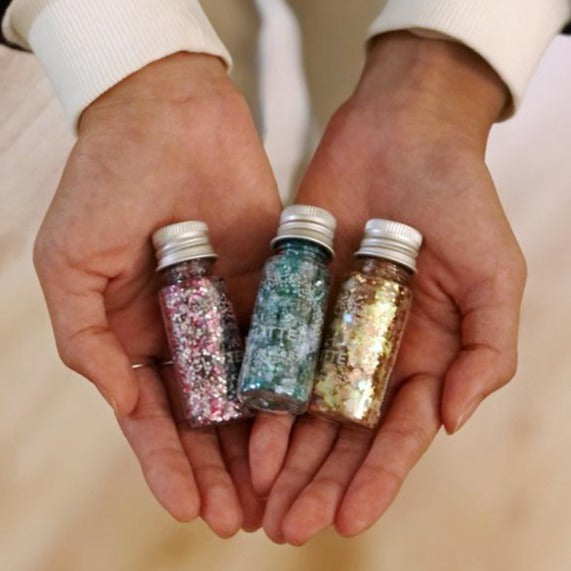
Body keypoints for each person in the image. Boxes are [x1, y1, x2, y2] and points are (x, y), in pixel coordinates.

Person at [2, 0, 569, 545]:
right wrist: (129, 74)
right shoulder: (238, 270)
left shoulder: (332, 269)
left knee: (351, 65)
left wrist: (447, 71)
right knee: (196, 53)